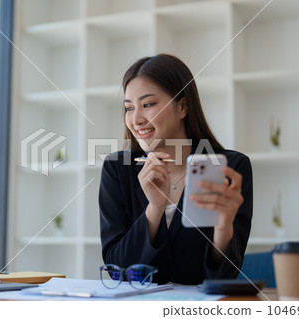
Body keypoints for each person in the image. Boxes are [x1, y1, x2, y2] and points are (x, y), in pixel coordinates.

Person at [99, 54, 252, 285]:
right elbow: (116, 270)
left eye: (148, 104)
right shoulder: (117, 170)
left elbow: (224, 277)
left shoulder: (230, 168)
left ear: (182, 107)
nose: (136, 119)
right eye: (129, 108)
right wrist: (155, 208)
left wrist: (223, 228)